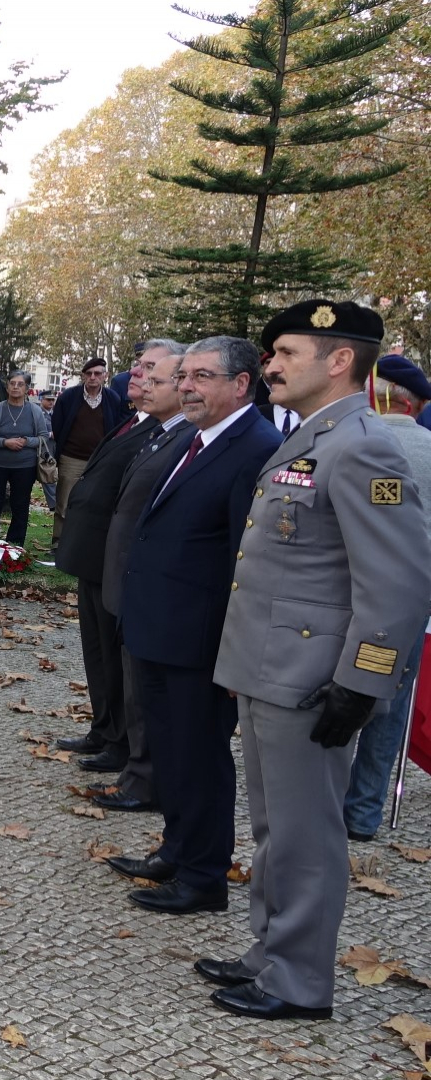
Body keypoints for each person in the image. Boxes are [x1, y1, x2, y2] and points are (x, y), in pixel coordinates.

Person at [204, 301, 430, 1021]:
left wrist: (361, 683)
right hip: (272, 671)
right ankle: (270, 953)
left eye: (287, 352)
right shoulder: (312, 436)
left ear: (340, 361)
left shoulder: (361, 445)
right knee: (276, 830)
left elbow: (395, 579)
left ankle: (299, 983)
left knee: (306, 835)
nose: (270, 364)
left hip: (312, 680)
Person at [118, 336, 281, 917]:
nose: (186, 386)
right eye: (183, 375)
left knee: (200, 757)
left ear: (240, 385)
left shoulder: (256, 447)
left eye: (202, 376)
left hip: (201, 639)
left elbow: (249, 558)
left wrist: (238, 649)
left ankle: (204, 876)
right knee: (173, 751)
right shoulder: (197, 438)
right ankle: (178, 849)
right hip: (163, 628)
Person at [51, 340, 181, 771]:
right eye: (138, 366)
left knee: (113, 653)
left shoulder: (169, 432)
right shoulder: (136, 422)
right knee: (97, 652)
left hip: (114, 558)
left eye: (149, 368)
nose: (137, 375)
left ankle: (119, 740)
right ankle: (103, 727)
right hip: (94, 556)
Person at [91, 350, 192, 814]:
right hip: (122, 574)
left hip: (150, 584)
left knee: (144, 685)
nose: (143, 381)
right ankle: (137, 768)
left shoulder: (183, 437)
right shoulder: (159, 434)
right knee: (132, 680)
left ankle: (145, 775)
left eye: (156, 375)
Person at [340, 354, 431, 840]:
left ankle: (326, 799)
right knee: (389, 707)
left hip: (348, 595)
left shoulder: (361, 442)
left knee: (336, 696)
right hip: (411, 604)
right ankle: (364, 812)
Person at [49, 357, 129, 547]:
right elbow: (57, 425)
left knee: (95, 502)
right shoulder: (69, 396)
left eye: (98, 373)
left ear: (105, 376)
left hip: (99, 460)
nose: (93, 377)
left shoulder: (112, 398)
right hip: (71, 458)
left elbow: (116, 427)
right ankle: (59, 542)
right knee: (65, 502)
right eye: (89, 373)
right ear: (83, 375)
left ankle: (84, 543)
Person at [0, 371, 50, 547]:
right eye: (12, 383)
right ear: (7, 386)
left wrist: (25, 441)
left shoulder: (35, 411)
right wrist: (5, 442)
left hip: (25, 466)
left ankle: (15, 545)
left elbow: (43, 437)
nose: (16, 387)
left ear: (27, 389)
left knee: (20, 504)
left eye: (20, 384)